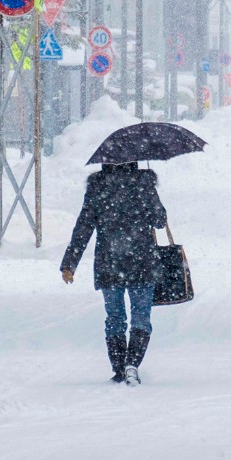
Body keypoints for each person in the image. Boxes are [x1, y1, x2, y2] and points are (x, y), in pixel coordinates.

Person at [60, 159, 168, 383]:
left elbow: (84, 227)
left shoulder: (97, 187)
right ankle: (132, 363)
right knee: (141, 316)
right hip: (142, 261)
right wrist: (148, 194)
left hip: (110, 262)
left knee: (115, 318)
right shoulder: (143, 183)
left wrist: (70, 263)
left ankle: (119, 368)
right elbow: (160, 221)